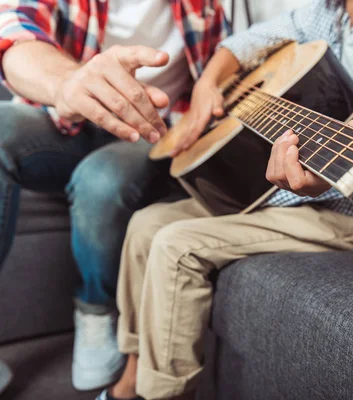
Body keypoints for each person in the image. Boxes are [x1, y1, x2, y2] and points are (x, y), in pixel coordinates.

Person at [106, 0, 353, 399]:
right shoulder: (321, 13)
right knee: (145, 224)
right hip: (291, 201)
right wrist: (207, 85)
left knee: (176, 245)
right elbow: (244, 44)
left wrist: (332, 163)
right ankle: (131, 376)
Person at [0, 0, 229, 391]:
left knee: (102, 179)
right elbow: (13, 27)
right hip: (62, 118)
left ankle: (95, 310)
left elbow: (225, 65)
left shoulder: (205, 9)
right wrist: (68, 84)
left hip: (152, 134)